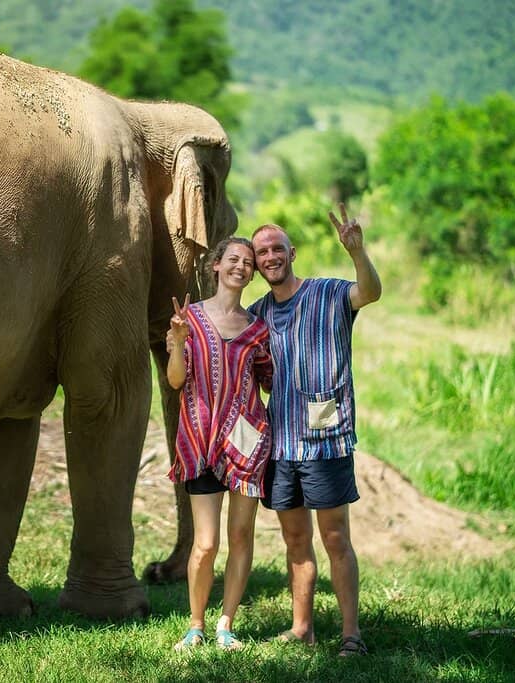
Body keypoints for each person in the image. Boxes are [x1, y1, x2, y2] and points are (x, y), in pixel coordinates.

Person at [249, 203, 381, 656]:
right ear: (255, 262)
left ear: (293, 252)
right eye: (261, 251)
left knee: (335, 537)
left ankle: (351, 635)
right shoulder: (256, 314)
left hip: (325, 441)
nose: (270, 256)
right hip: (281, 445)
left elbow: (370, 293)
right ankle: (302, 627)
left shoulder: (327, 293)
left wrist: (357, 253)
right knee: (295, 540)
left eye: (277, 248)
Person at [167, 237, 273, 652]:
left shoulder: (258, 328)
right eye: (234, 260)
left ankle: (225, 624)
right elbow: (177, 380)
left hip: (247, 445)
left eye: (248, 263)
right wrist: (176, 341)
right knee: (206, 543)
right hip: (199, 442)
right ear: (216, 266)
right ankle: (195, 624)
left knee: (241, 535)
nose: (241, 267)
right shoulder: (188, 319)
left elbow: (268, 381)